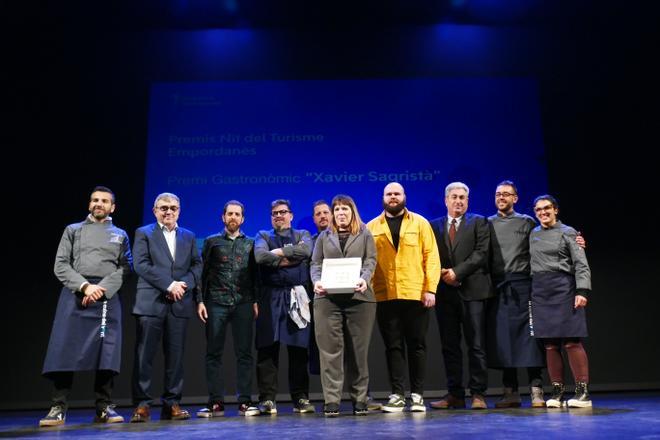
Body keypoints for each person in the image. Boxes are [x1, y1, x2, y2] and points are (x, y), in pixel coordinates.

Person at [487, 181, 587, 409]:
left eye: (506, 194)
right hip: (517, 288)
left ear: (516, 198)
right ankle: (521, 392)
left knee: (547, 341)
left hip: (538, 287)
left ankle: (545, 390)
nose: (501, 197)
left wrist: (577, 242)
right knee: (526, 342)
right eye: (498, 194)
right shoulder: (493, 224)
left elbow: (568, 250)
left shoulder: (530, 223)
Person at [40, 186, 132, 427]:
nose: (98, 203)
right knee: (64, 349)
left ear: (113, 207)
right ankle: (58, 407)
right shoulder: (73, 230)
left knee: (107, 351)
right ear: (89, 204)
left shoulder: (120, 234)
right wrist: (84, 286)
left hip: (106, 298)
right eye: (94, 200)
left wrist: (100, 288)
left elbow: (125, 267)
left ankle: (104, 407)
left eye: (104, 201)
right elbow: (60, 265)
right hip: (75, 295)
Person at [366, 182, 440, 413]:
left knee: (417, 345)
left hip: (415, 293)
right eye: (389, 194)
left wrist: (431, 289)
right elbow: (367, 262)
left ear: (404, 196)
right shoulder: (371, 227)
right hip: (384, 294)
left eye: (397, 193)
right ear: (383, 198)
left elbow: (432, 257)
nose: (393, 197)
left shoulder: (420, 223)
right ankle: (397, 394)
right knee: (393, 346)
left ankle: (417, 395)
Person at [130, 193, 202, 422]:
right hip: (151, 302)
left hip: (179, 304)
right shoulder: (144, 233)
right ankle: (142, 405)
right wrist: (169, 285)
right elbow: (141, 265)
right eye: (163, 208)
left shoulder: (189, 236)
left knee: (176, 358)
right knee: (144, 356)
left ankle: (172, 403)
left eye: (172, 208)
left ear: (179, 211)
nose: (168, 211)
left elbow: (197, 266)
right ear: (155, 211)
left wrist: (183, 285)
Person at [311, 195, 377, 417]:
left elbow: (371, 260)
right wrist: (316, 281)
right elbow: (315, 263)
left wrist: (364, 279)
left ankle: (360, 399)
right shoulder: (323, 236)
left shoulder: (365, 233)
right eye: (337, 209)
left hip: (359, 299)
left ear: (352, 211)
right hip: (327, 300)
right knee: (330, 352)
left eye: (345, 209)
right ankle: (332, 400)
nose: (340, 212)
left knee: (359, 352)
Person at [430, 182, 493, 410]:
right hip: (445, 293)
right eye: (454, 197)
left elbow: (481, 254)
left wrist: (457, 272)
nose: (459, 201)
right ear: (446, 200)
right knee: (449, 346)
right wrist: (442, 273)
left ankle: (478, 393)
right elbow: (429, 254)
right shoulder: (433, 226)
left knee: (476, 345)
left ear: (468, 200)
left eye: (463, 197)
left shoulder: (479, 222)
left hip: (473, 291)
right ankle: (455, 394)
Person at [195, 200, 260, 418]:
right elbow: (201, 274)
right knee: (213, 353)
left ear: (243, 219)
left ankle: (244, 402)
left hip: (243, 302)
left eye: (237, 214)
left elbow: (255, 276)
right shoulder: (212, 242)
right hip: (216, 302)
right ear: (223, 217)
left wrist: (255, 300)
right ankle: (216, 402)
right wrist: (200, 301)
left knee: (244, 354)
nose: (233, 217)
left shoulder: (251, 243)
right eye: (229, 214)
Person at [529, 195, 593, 408]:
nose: (543, 212)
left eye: (547, 208)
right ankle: (557, 392)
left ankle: (582, 392)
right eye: (538, 210)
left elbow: (581, 264)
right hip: (540, 291)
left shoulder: (569, 232)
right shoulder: (533, 233)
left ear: (555, 209)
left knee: (571, 341)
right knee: (549, 344)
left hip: (563, 288)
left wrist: (582, 290)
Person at [254, 199, 316, 414]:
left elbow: (306, 252)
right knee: (267, 349)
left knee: (298, 350)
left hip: (296, 295)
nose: (278, 216)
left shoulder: (303, 235)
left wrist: (277, 254)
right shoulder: (262, 236)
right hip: (270, 296)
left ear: (291, 215)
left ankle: (300, 398)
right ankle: (267, 399)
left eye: (282, 212)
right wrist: (290, 256)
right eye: (274, 213)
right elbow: (261, 257)